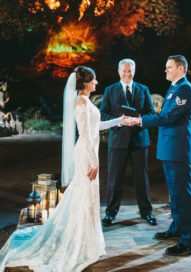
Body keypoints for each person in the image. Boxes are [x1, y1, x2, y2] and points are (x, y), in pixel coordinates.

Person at [0, 66, 122, 271]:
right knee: (84, 195)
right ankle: (80, 243)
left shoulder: (86, 101)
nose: (97, 83)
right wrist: (93, 162)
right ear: (86, 82)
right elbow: (84, 135)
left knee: (87, 195)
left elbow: (95, 127)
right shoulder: (81, 103)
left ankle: (88, 240)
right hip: (86, 155)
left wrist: (119, 121)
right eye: (94, 80)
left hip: (89, 154)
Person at [123, 55, 191, 256]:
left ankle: (189, 241)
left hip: (178, 149)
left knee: (183, 195)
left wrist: (139, 121)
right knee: (174, 194)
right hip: (170, 148)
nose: (165, 70)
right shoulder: (174, 88)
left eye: (169, 67)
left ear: (181, 69)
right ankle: (177, 229)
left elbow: (168, 117)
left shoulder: (185, 89)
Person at [99, 59, 156, 226]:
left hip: (139, 140)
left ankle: (146, 212)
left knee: (141, 179)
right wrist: (119, 120)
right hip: (117, 141)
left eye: (130, 71)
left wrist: (138, 119)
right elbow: (103, 114)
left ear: (134, 71)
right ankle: (110, 213)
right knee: (114, 179)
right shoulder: (110, 90)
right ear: (118, 72)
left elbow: (151, 112)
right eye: (124, 71)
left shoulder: (143, 89)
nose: (127, 74)